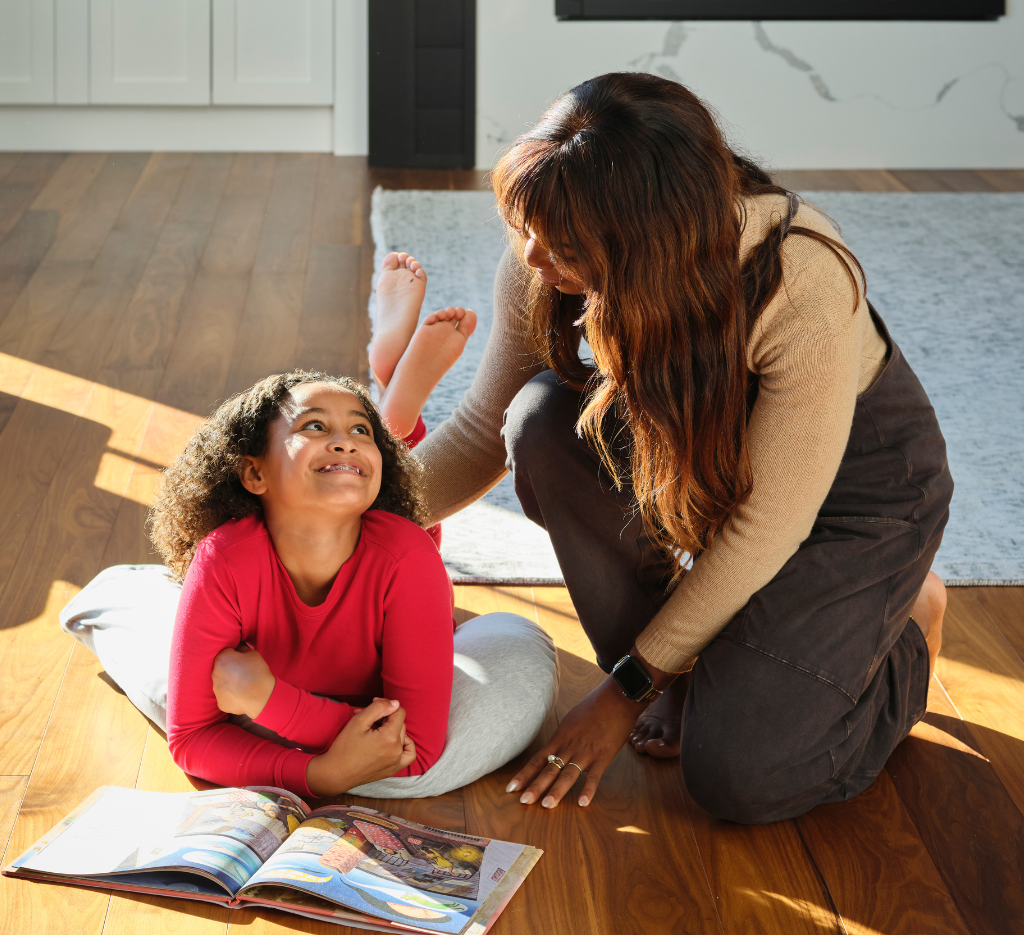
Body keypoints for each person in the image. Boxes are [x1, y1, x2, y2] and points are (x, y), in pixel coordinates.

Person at [405, 72, 954, 824]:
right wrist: (332, 510)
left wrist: (624, 694)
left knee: (741, 778)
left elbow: (769, 523)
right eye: (524, 226)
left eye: (561, 245)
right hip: (712, 467)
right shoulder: (553, 241)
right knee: (541, 424)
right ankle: (687, 667)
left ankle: (904, 627)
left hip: (850, 499)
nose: (531, 256)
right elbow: (478, 434)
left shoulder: (799, 277)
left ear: (650, 243)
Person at [61, 259, 557, 801]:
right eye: (313, 426)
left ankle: (395, 409)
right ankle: (390, 402)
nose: (344, 440)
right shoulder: (224, 558)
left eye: (362, 430)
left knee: (515, 648)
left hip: (320, 677)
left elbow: (415, 748)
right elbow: (193, 738)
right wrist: (324, 771)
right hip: (312, 690)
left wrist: (274, 707)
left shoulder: (406, 553)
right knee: (115, 597)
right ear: (254, 473)